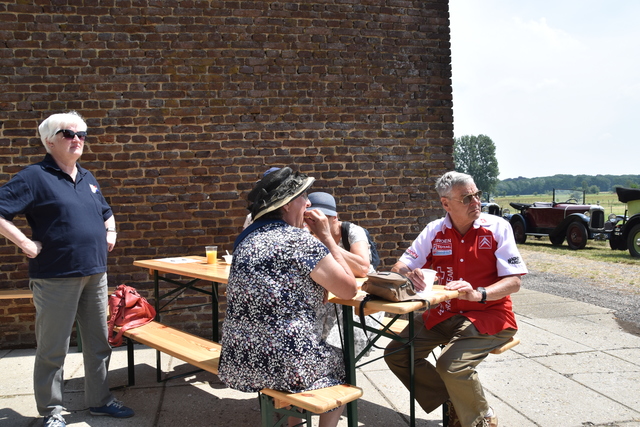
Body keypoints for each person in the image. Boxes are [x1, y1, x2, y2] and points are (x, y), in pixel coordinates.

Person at [0, 112, 134, 427]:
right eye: (68, 133)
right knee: (53, 347)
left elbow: (106, 210)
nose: (77, 139)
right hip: (54, 277)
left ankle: (100, 401)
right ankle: (52, 411)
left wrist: (110, 233)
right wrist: (24, 243)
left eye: (82, 134)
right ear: (49, 140)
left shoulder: (87, 177)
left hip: (95, 273)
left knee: (98, 342)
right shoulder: (34, 177)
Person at [384, 171, 527, 427]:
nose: (476, 202)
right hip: (442, 313)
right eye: (467, 198)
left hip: (488, 315)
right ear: (445, 203)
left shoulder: (497, 227)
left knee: (450, 366)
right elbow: (399, 267)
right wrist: (411, 273)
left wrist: (479, 294)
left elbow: (514, 282)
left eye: (477, 195)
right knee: (397, 353)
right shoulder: (434, 231)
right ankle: (457, 400)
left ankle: (480, 418)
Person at [219, 167, 358, 427]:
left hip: (241, 358)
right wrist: (326, 237)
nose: (308, 203)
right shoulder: (299, 242)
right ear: (287, 205)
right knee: (342, 364)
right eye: (303, 196)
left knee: (298, 351)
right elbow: (349, 289)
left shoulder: (245, 241)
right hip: (283, 363)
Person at [306, 191, 382, 356]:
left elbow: (362, 268)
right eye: (310, 219)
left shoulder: (352, 231)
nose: (315, 224)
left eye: (321, 219)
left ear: (335, 218)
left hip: (362, 299)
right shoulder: (307, 236)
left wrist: (327, 241)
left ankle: (345, 365)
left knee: (344, 342)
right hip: (333, 295)